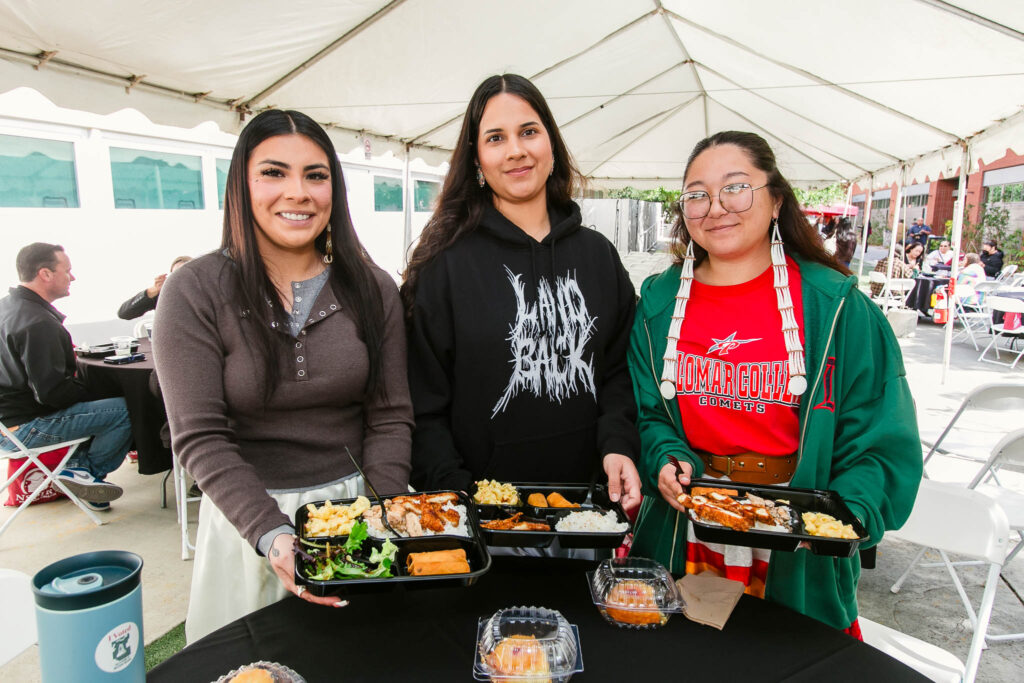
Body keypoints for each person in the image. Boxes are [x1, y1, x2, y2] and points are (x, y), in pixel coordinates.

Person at [627, 131, 921, 636]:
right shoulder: (657, 302)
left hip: (797, 540)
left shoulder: (837, 307)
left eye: (736, 187)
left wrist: (839, 515)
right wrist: (666, 458)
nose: (715, 207)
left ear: (777, 199)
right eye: (697, 194)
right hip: (688, 525)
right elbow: (649, 412)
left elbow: (880, 439)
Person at [153, 110, 414, 642]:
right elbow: (200, 435)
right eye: (273, 172)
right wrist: (270, 533)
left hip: (356, 511)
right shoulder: (195, 290)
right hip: (248, 519)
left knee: (362, 658)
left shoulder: (373, 287)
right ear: (241, 185)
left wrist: (377, 513)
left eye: (316, 175)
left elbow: (390, 416)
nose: (298, 193)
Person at [402, 74, 641, 516]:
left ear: (551, 143)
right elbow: (421, 407)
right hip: (482, 522)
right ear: (476, 158)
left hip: (590, 514)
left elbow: (620, 373)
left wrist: (618, 446)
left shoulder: (598, 256)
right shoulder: (445, 267)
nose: (516, 150)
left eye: (529, 131)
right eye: (496, 138)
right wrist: (457, 496)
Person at [0, 243, 131, 510]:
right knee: (126, 409)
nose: (72, 277)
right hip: (25, 428)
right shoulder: (37, 322)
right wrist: (95, 393)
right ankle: (83, 472)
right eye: (67, 270)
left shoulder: (7, 308)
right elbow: (52, 394)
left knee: (100, 407)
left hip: (6, 424)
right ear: (45, 274)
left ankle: (80, 477)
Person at [117, 255, 192, 319]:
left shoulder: (202, 292)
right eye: (175, 274)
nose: (179, 277)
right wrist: (152, 291)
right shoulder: (165, 296)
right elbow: (124, 313)